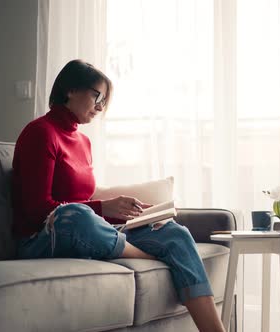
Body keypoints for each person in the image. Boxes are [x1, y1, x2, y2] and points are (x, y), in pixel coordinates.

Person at [12, 59, 225, 332]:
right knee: (76, 216)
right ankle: (149, 255)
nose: (101, 106)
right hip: (41, 238)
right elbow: (37, 209)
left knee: (174, 232)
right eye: (97, 96)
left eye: (104, 100)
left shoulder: (84, 142)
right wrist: (103, 208)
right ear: (70, 90)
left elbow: (86, 199)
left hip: (93, 231)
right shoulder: (40, 133)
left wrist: (138, 214)